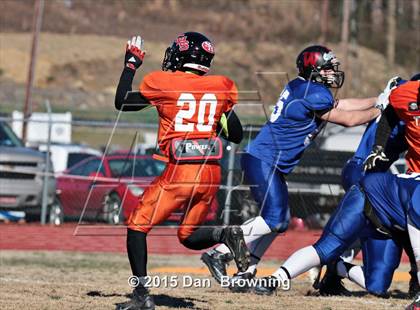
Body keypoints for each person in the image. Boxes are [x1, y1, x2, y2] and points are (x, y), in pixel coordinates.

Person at [201, 44, 395, 290]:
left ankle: (246, 270)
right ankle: (220, 252)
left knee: (279, 220)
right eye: (327, 69)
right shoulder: (312, 93)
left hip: (267, 161)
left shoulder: (303, 87)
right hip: (265, 160)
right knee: (275, 219)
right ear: (313, 69)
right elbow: (348, 119)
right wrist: (381, 108)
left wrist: (379, 98)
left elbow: (342, 105)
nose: (332, 74)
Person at [113, 32, 250, 310]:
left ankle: (141, 297)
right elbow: (236, 134)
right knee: (187, 235)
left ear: (183, 55)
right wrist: (215, 117)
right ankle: (225, 235)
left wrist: (130, 65)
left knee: (137, 226)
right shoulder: (219, 86)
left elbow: (123, 101)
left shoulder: (164, 82)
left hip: (182, 171)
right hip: (211, 172)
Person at [253, 172, 419, 301]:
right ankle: (273, 280)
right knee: (327, 248)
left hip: (390, 224)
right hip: (367, 198)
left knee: (377, 286)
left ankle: (335, 266)